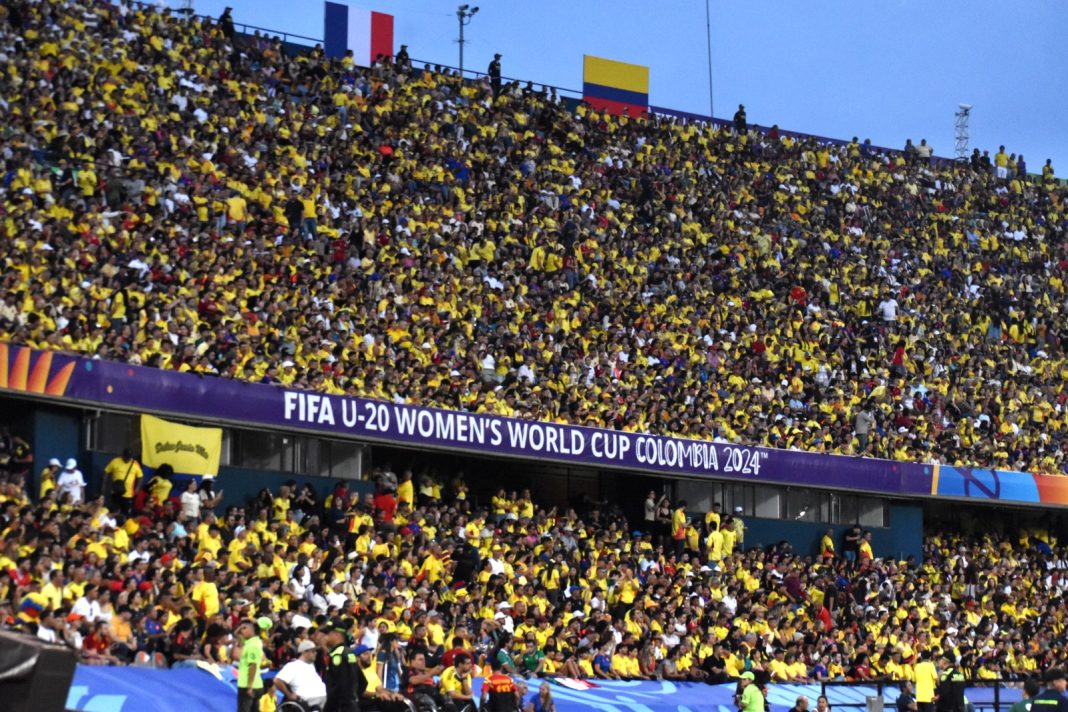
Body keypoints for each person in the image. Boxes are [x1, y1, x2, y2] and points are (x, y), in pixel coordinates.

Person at [275, 640, 328, 710]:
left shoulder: (311, 665)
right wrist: (289, 695)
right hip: (308, 701)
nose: (315, 653)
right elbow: (277, 680)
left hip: (322, 699)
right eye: (313, 651)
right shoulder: (293, 666)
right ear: (304, 652)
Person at [323, 621, 360, 712]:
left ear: (337, 635)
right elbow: (362, 680)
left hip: (340, 707)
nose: (324, 637)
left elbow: (338, 686)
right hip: (351, 705)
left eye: (327, 634)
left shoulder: (337, 655)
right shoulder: (350, 652)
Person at [236, 619, 265, 712]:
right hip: (256, 684)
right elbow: (236, 634)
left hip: (247, 685)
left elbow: (253, 666)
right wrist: (240, 627)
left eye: (244, 628)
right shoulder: (253, 642)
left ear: (252, 630)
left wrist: (249, 686)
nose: (241, 630)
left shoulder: (252, 645)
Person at [104, 449, 143, 513]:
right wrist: (104, 485)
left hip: (128, 494)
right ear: (123, 455)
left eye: (129, 458)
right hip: (116, 492)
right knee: (114, 511)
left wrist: (137, 488)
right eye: (126, 457)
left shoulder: (135, 463)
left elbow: (140, 477)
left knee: (126, 512)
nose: (127, 459)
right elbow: (106, 472)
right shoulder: (115, 461)